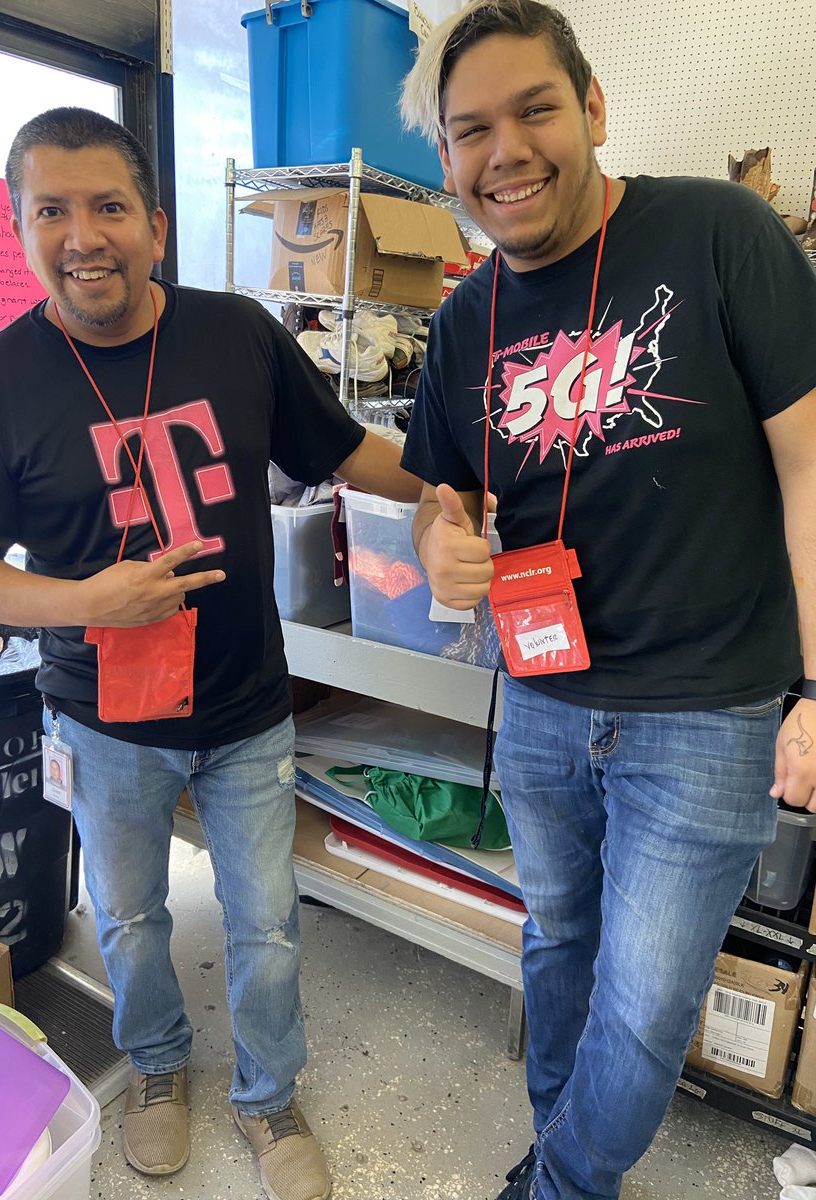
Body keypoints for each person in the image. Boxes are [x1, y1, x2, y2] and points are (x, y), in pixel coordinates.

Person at [0, 106, 422, 1200]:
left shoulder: (237, 334)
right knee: (131, 916)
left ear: (154, 225)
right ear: (20, 228)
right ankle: (155, 1067)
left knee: (268, 921)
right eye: (51, 211)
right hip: (102, 718)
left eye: (108, 206)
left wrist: (450, 488)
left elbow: (344, 451)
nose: (83, 236)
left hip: (246, 706)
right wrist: (89, 598)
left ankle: (268, 1096)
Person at [398, 4, 816, 1198]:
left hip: (707, 713)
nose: (506, 152)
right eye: (471, 131)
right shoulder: (465, 319)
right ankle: (564, 1161)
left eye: (535, 109)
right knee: (556, 947)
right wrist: (439, 545)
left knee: (642, 1009)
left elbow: (809, 469)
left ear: (590, 108)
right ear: (447, 156)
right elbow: (441, 498)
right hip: (540, 700)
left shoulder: (720, 233)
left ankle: (562, 1185)